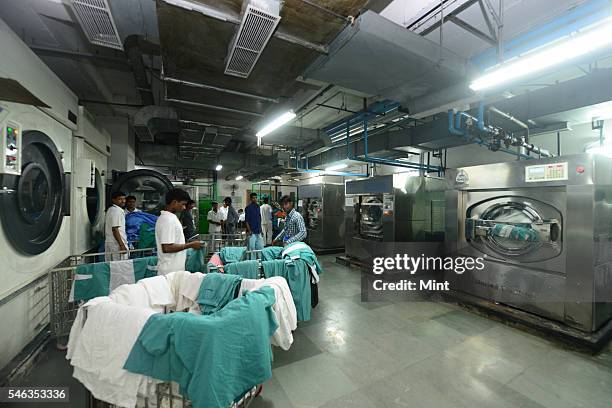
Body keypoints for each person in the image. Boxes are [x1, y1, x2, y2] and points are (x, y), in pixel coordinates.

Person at [155, 188, 201, 275]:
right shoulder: (168, 219)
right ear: (174, 202)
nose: (184, 207)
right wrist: (191, 245)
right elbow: (166, 248)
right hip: (170, 271)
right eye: (183, 204)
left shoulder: (168, 217)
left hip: (173, 269)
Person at [105, 191, 129, 261]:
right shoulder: (116, 211)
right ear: (114, 200)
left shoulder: (111, 209)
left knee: (112, 266)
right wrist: (121, 245)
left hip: (112, 242)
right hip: (116, 244)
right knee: (119, 266)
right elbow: (115, 229)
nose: (123, 201)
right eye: (120, 199)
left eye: (124, 199)